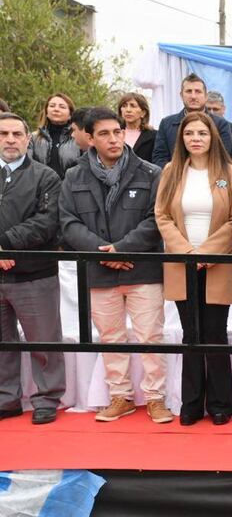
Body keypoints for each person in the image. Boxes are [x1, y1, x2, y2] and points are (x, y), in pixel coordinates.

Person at [59, 107, 172, 424]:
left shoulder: (151, 173)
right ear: (90, 138)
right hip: (99, 271)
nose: (113, 139)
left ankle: (155, 398)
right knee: (111, 337)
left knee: (151, 336)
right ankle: (120, 396)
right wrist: (103, 252)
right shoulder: (73, 176)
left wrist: (122, 249)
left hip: (143, 270)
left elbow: (156, 220)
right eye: (104, 133)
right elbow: (68, 223)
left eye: (117, 132)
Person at [154, 112, 232, 426]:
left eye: (202, 133)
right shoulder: (171, 171)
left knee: (215, 333)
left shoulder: (230, 173)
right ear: (182, 139)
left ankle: (220, 404)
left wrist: (207, 251)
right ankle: (191, 403)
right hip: (182, 263)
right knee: (191, 333)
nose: (195, 138)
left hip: (218, 262)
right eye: (189, 133)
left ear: (212, 137)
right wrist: (187, 252)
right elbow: (162, 215)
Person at [0, 112, 66, 425]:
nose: (10, 140)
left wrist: (6, 244)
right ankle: (6, 399)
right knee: (2, 343)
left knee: (44, 341)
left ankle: (47, 398)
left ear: (28, 139)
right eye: (3, 134)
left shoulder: (46, 176)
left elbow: (47, 221)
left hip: (34, 273)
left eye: (16, 134)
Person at [153, 73, 232, 167]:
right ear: (181, 95)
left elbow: (224, 157)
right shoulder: (167, 124)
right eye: (189, 91)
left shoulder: (220, 124)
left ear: (205, 96)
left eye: (198, 91)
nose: (193, 96)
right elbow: (159, 158)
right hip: (176, 179)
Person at [28, 93, 80, 179]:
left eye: (62, 107)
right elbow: (27, 166)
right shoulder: (33, 138)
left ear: (70, 114)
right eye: (52, 106)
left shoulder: (78, 138)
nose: (56, 109)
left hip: (71, 188)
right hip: (41, 189)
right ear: (46, 112)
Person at [117, 92, 156, 163]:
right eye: (124, 106)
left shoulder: (154, 136)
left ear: (143, 113)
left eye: (133, 106)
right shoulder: (114, 133)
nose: (128, 110)